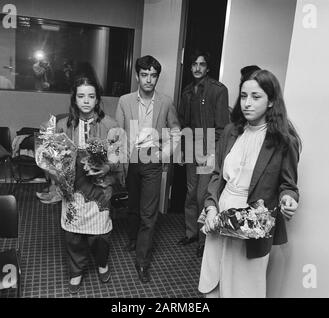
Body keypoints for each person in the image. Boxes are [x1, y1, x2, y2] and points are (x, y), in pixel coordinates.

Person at [199, 69, 301, 298]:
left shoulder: (284, 141)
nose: (247, 103)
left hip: (252, 224)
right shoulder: (230, 131)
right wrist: (211, 207)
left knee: (243, 288)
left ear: (272, 100)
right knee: (213, 280)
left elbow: (289, 186)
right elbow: (216, 176)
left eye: (256, 97)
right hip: (220, 214)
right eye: (243, 96)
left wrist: (288, 199)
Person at [115, 55, 180, 283]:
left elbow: (175, 131)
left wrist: (164, 154)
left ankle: (142, 262)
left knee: (148, 214)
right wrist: (119, 164)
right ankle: (133, 238)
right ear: (137, 76)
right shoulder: (125, 100)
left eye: (153, 75)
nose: (149, 80)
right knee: (132, 207)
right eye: (144, 75)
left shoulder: (166, 102)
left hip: (153, 161)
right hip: (131, 160)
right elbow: (119, 134)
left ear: (157, 78)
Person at [54, 76, 122, 293]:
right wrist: (56, 172)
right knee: (73, 234)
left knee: (101, 234)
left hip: (99, 187)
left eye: (91, 96)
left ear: (97, 99)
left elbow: (119, 155)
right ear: (74, 99)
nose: (86, 101)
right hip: (73, 187)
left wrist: (107, 168)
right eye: (81, 96)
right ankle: (76, 271)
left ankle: (102, 263)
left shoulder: (110, 124)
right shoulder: (62, 125)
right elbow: (54, 157)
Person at [177, 50, 229, 258]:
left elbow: (222, 127)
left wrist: (212, 153)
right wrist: (183, 149)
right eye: (194, 64)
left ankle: (203, 239)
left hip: (209, 149)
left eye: (202, 64)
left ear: (208, 67)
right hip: (191, 146)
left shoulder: (218, 90)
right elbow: (183, 124)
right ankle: (191, 233)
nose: (197, 68)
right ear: (190, 67)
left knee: (202, 195)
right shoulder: (187, 91)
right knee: (190, 193)